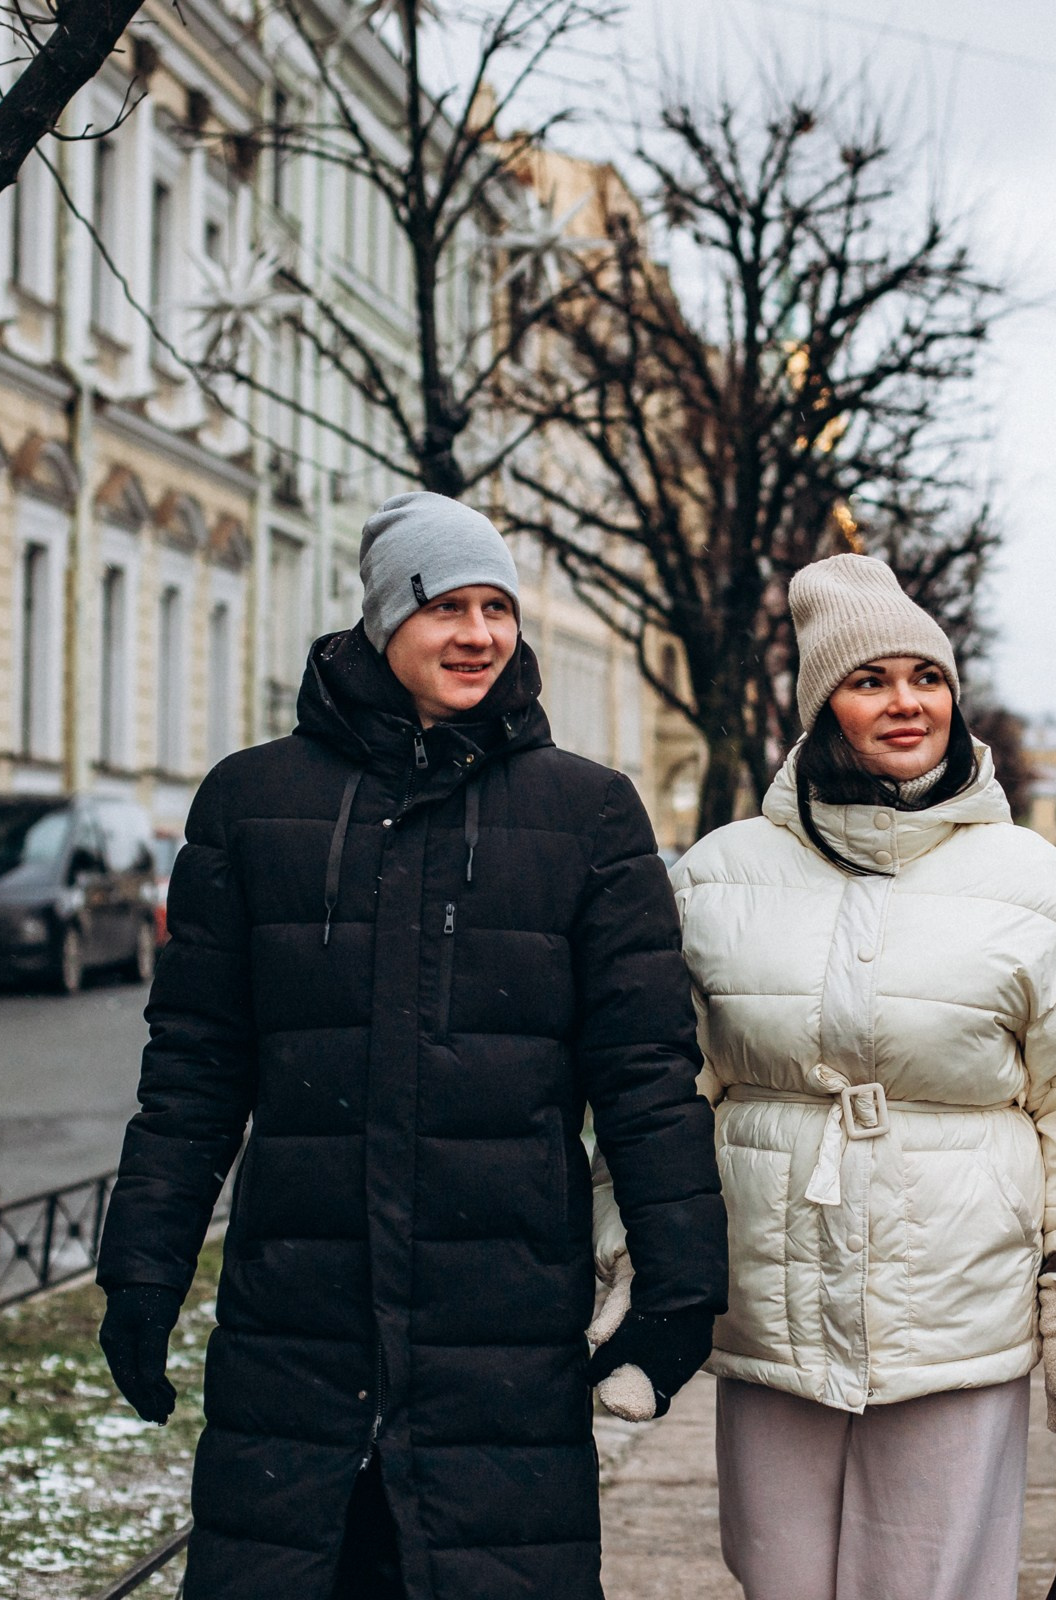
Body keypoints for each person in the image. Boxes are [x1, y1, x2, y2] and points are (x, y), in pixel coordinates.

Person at [94, 491, 727, 1600]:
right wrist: (143, 1266)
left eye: (498, 607)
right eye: (447, 606)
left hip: (501, 1321)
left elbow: (643, 1070)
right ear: (385, 618)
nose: (479, 634)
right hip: (300, 1313)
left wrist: (680, 1284)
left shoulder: (588, 816)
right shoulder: (251, 804)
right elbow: (195, 1064)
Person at [664, 553, 1056, 1600]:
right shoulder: (718, 875)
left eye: (926, 678)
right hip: (772, 1296)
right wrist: (638, 1255)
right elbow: (665, 1084)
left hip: (958, 1295)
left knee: (932, 1583)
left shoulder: (1032, 885)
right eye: (870, 680)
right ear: (820, 707)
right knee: (779, 1577)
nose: (906, 703)